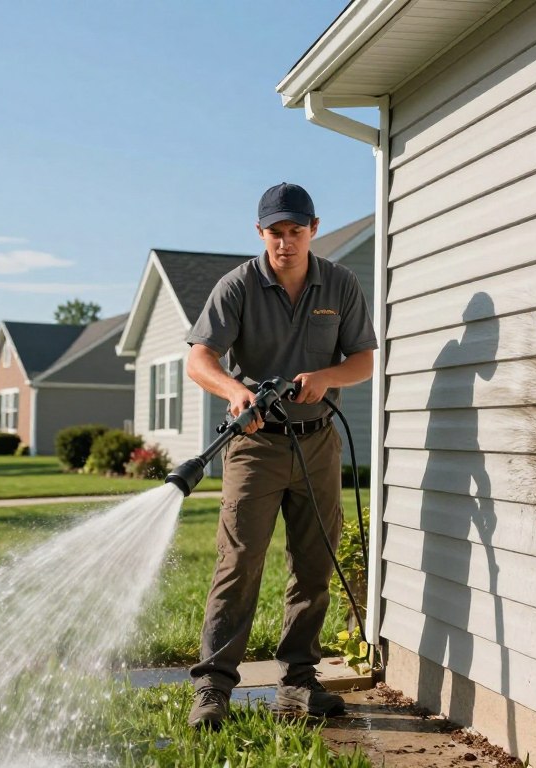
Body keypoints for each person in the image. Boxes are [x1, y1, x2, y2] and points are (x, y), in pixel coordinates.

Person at [184, 182, 377, 728]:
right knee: (239, 562)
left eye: (296, 231)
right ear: (260, 233)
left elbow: (362, 358)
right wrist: (234, 392)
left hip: (318, 443)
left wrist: (326, 378)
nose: (285, 243)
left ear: (313, 229)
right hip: (254, 447)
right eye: (275, 232)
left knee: (314, 565)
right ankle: (214, 689)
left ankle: (297, 684)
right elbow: (199, 360)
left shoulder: (339, 283)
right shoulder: (238, 286)